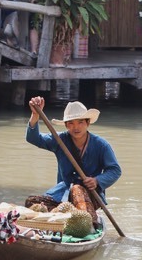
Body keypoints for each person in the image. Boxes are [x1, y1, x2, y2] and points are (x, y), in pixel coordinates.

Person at [25, 96, 121, 226]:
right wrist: (35, 114)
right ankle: (62, 218)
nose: (76, 127)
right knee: (33, 203)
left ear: (87, 123)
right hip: (63, 194)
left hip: (91, 194)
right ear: (66, 125)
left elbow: (115, 170)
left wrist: (97, 180)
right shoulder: (60, 140)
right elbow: (34, 138)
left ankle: (89, 222)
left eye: (80, 122)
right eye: (71, 123)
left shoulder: (101, 145)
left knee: (77, 189)